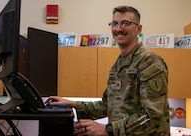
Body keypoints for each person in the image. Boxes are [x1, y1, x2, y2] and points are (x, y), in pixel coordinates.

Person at [45, 5, 170, 136]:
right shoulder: (118, 64)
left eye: (125, 23)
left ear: (139, 29)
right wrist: (72, 104)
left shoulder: (148, 61)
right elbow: (107, 105)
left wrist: (107, 129)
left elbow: (153, 115)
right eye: (115, 23)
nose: (118, 29)